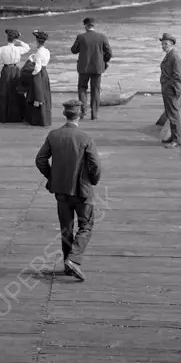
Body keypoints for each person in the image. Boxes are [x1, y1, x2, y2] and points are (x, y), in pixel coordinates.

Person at [35, 99, 102, 282]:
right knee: (86, 225)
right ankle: (73, 260)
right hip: (82, 191)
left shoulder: (53, 135)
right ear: (80, 114)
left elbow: (40, 160)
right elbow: (95, 165)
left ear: (65, 114)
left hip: (61, 191)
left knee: (67, 228)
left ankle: (67, 264)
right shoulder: (85, 138)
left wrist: (52, 177)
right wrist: (93, 181)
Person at [70, 17, 112, 121]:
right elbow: (109, 53)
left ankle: (83, 112)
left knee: (82, 88)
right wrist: (103, 61)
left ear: (85, 26)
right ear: (94, 25)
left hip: (83, 68)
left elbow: (73, 50)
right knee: (96, 90)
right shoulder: (102, 37)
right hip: (97, 68)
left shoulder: (81, 37)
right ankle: (94, 114)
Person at [0, 29, 30, 123]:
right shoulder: (18, 49)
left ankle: (4, 115)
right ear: (15, 39)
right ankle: (18, 115)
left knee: (5, 92)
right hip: (16, 70)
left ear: (7, 38)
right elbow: (27, 47)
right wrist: (20, 41)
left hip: (6, 70)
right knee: (16, 92)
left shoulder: (2, 49)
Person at [20, 29, 52, 127]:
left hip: (39, 74)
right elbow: (43, 64)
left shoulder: (38, 52)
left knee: (36, 94)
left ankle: (35, 119)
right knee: (44, 94)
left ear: (37, 41)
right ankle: (44, 118)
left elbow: (37, 68)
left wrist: (31, 73)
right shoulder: (47, 51)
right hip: (45, 73)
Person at [158, 32, 181, 147]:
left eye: (166, 44)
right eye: (163, 44)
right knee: (171, 114)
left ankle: (177, 139)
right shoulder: (169, 55)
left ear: (171, 44)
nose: (163, 46)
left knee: (173, 114)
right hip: (167, 88)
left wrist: (170, 86)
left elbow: (177, 75)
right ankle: (173, 136)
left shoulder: (174, 56)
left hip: (171, 89)